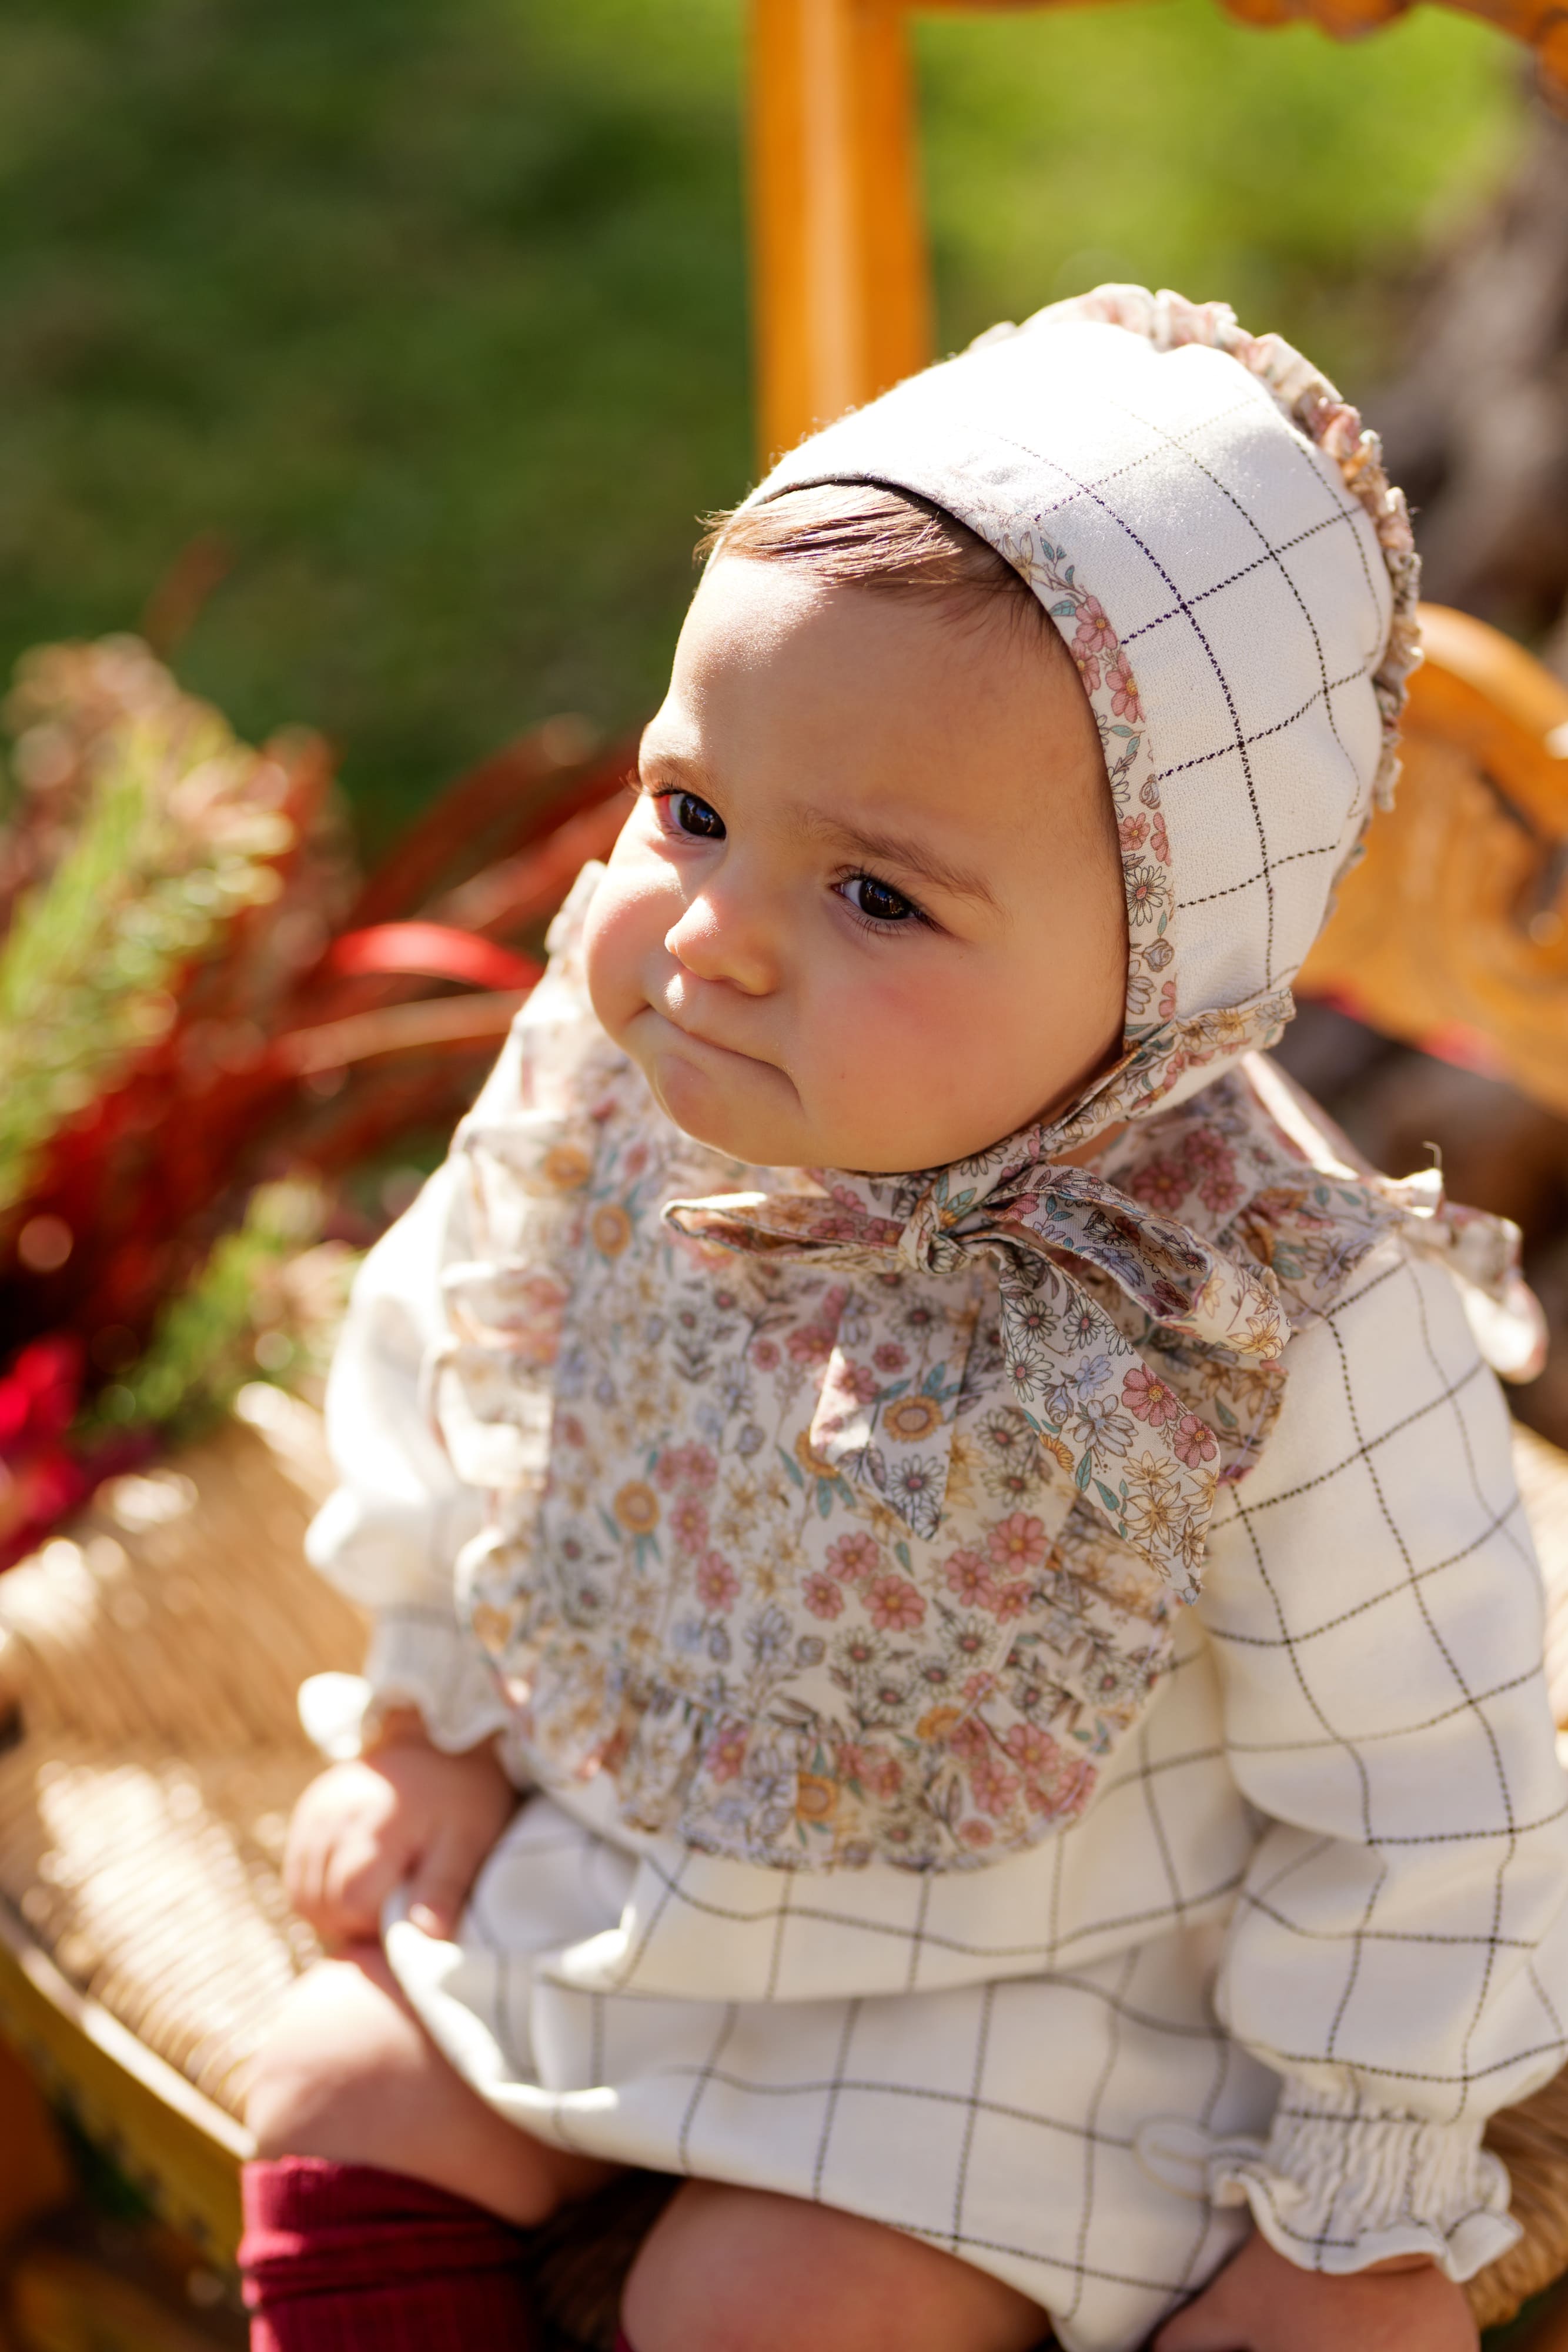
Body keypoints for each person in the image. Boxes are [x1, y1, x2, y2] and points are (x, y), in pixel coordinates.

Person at [238, 286, 1568, 2352]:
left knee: (756, 2303)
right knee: (338, 2088)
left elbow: (1426, 1785)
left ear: (1165, 961)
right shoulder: (629, 1055)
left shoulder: (1248, 1315)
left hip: (1038, 1984)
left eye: (875, 894)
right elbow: (468, 1369)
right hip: (633, 1837)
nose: (717, 940)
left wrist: (1356, 2208)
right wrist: (436, 1713)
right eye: (692, 807)